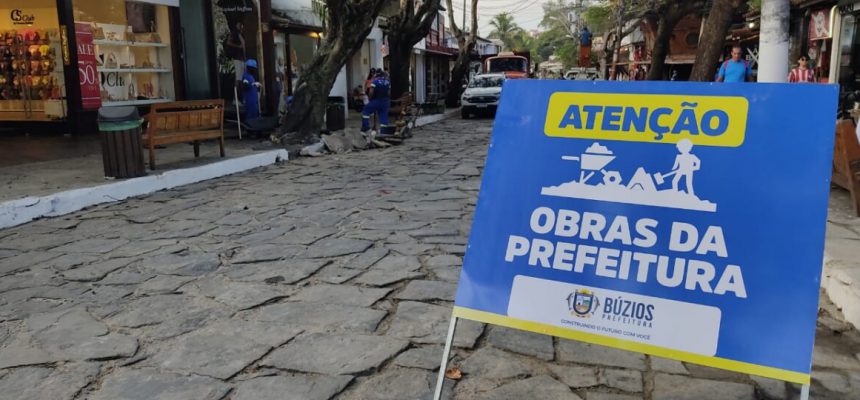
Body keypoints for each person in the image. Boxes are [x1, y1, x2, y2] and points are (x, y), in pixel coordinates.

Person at [361, 69, 391, 134]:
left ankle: (366, 128)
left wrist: (370, 99)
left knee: (365, 110)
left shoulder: (375, 81)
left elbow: (371, 92)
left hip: (376, 101)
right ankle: (383, 132)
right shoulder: (387, 82)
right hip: (385, 102)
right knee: (383, 116)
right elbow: (389, 93)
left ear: (376, 75)